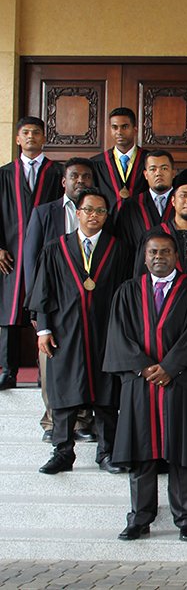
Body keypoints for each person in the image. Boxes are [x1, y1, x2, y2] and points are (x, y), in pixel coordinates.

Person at [105, 231, 187, 541]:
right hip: (140, 384)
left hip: (180, 382)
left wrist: (170, 367)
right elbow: (119, 334)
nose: (159, 257)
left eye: (165, 251)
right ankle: (140, 517)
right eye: (153, 252)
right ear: (144, 257)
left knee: (183, 452)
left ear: (176, 256)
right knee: (141, 452)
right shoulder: (128, 291)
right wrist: (143, 367)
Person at [30, 187, 132, 474]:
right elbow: (43, 291)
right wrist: (43, 330)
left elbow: (127, 294)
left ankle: (107, 453)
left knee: (107, 393)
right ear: (77, 213)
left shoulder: (119, 249)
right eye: (88, 210)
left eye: (100, 211)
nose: (93, 215)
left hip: (106, 331)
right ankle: (63, 452)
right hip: (65, 331)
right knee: (65, 391)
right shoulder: (56, 248)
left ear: (106, 215)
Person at [24, 158, 96, 439]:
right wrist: (36, 310)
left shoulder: (99, 212)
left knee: (84, 363)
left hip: (86, 304)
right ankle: (52, 421)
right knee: (51, 363)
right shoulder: (44, 213)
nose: (81, 181)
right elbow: (31, 262)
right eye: (75, 176)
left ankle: (82, 421)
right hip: (52, 302)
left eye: (86, 177)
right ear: (64, 181)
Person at [0, 116, 63, 390]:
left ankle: (44, 370)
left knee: (46, 309)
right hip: (11, 254)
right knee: (9, 312)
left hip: (47, 253)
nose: (30, 137)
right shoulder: (4, 174)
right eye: (25, 132)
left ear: (44, 138)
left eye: (36, 132)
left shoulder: (57, 173)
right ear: (17, 138)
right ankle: (7, 370)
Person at [115, 150, 176, 253]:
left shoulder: (185, 204)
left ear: (173, 173)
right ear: (146, 174)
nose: (158, 173)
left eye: (164, 168)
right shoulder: (131, 206)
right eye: (153, 169)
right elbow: (124, 245)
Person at [90, 107, 148, 209]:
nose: (119, 132)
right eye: (114, 127)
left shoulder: (149, 160)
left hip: (141, 217)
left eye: (124, 127)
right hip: (110, 217)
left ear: (135, 130)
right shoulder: (97, 163)